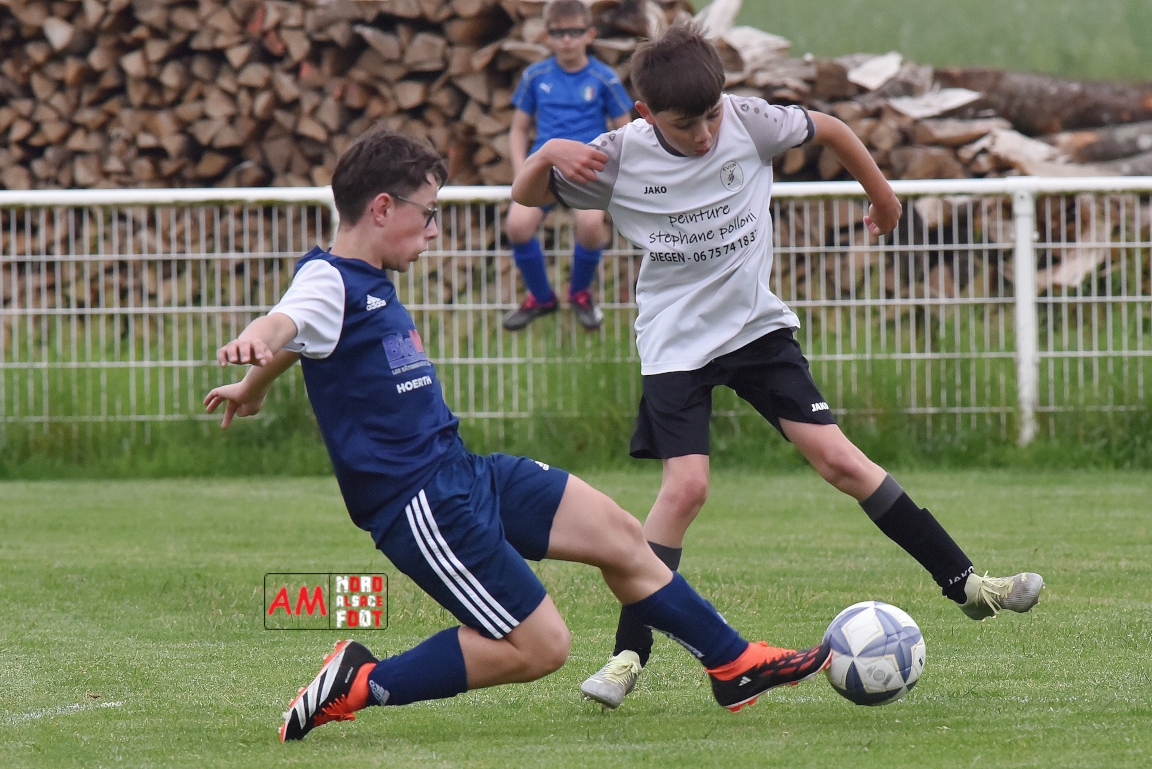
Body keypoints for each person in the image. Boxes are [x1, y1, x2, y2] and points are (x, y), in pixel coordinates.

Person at [204, 128, 834, 742]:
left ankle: (732, 664)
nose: (433, 231)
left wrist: (256, 385)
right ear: (382, 208)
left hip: (462, 471)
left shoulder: (356, 283)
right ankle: (361, 683)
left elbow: (309, 334)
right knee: (542, 647)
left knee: (619, 535)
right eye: (428, 213)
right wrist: (258, 338)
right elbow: (289, 320)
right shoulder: (330, 278)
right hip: (420, 504)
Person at [510, 23, 1045, 710]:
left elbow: (832, 128)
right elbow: (526, 197)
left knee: (840, 459)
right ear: (645, 114)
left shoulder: (749, 121)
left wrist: (883, 196)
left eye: (711, 115)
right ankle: (627, 654)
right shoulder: (616, 157)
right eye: (685, 125)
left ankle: (968, 584)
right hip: (675, 343)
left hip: (757, 329)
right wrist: (548, 151)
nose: (705, 134)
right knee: (685, 490)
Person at [501, 0, 634, 332]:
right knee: (517, 225)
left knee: (590, 226)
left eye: (575, 32)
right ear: (546, 36)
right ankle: (541, 297)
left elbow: (626, 129)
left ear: (590, 34)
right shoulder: (535, 76)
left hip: (587, 169)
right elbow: (518, 129)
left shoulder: (604, 78)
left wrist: (614, 170)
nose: (567, 40)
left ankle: (579, 293)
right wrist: (521, 169)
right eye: (559, 33)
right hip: (543, 168)